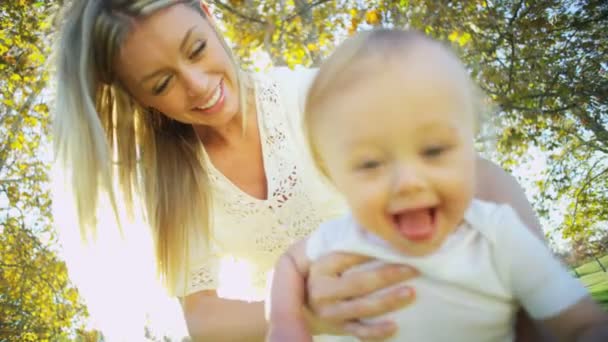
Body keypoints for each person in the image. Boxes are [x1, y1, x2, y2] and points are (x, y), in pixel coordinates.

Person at [52, 0, 560, 340]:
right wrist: (306, 313)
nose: (198, 84)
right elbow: (203, 319)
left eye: (197, 49)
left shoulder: (312, 98)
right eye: (162, 84)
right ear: (136, 98)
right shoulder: (173, 181)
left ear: (208, 14)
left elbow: (474, 176)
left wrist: (541, 304)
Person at [267, 29, 608, 342]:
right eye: (370, 163)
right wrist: (285, 321)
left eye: (434, 150)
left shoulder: (497, 236)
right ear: (333, 175)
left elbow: (582, 325)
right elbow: (289, 264)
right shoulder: (343, 239)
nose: (408, 182)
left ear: (470, 144)